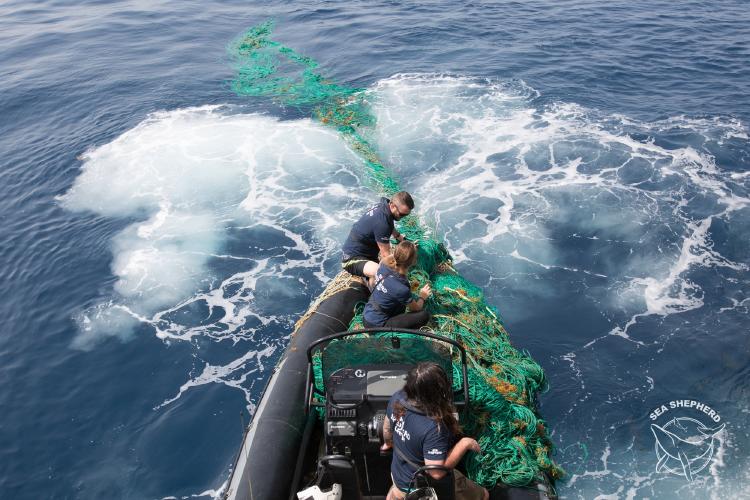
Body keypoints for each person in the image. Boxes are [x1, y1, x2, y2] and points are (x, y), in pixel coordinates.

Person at [381, 363, 489, 500]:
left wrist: (388, 444)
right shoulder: (434, 428)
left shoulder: (397, 397)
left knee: (397, 492)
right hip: (418, 486)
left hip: (398, 475)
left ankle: (395, 495)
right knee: (484, 495)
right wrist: (465, 443)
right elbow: (436, 473)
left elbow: (387, 428)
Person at [342, 192, 414, 279]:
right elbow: (386, 256)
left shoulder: (384, 206)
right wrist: (403, 272)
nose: (403, 217)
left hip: (369, 253)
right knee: (384, 273)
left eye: (407, 215)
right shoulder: (382, 224)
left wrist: (399, 237)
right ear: (392, 205)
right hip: (354, 258)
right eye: (402, 214)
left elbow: (389, 223)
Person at [362, 241, 431, 330]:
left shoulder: (383, 265)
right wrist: (422, 296)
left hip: (367, 315)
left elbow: (393, 257)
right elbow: (415, 309)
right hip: (377, 325)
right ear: (413, 261)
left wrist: (406, 250)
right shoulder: (402, 289)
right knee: (423, 315)